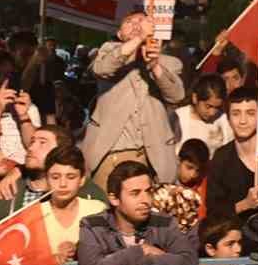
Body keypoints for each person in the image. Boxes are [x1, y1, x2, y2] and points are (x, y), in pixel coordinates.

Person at [77, 160, 198, 265]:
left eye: (148, 192)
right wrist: (140, 252)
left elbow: (188, 263)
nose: (145, 200)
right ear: (114, 199)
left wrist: (130, 264)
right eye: (135, 193)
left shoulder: (165, 223)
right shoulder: (93, 225)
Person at [80, 12, 186, 192]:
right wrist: (139, 39)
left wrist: (154, 65)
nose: (136, 24)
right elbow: (102, 68)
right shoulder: (108, 51)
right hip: (109, 155)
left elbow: (176, 95)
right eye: (129, 21)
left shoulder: (170, 62)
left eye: (141, 20)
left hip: (151, 159)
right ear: (120, 34)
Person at [204, 87, 258, 219]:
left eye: (250, 113)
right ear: (228, 118)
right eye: (236, 113)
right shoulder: (221, 159)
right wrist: (244, 205)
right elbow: (213, 211)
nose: (243, 121)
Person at [175, 73, 233, 153]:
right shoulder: (179, 118)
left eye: (217, 107)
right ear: (195, 98)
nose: (212, 113)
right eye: (208, 106)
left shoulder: (223, 119)